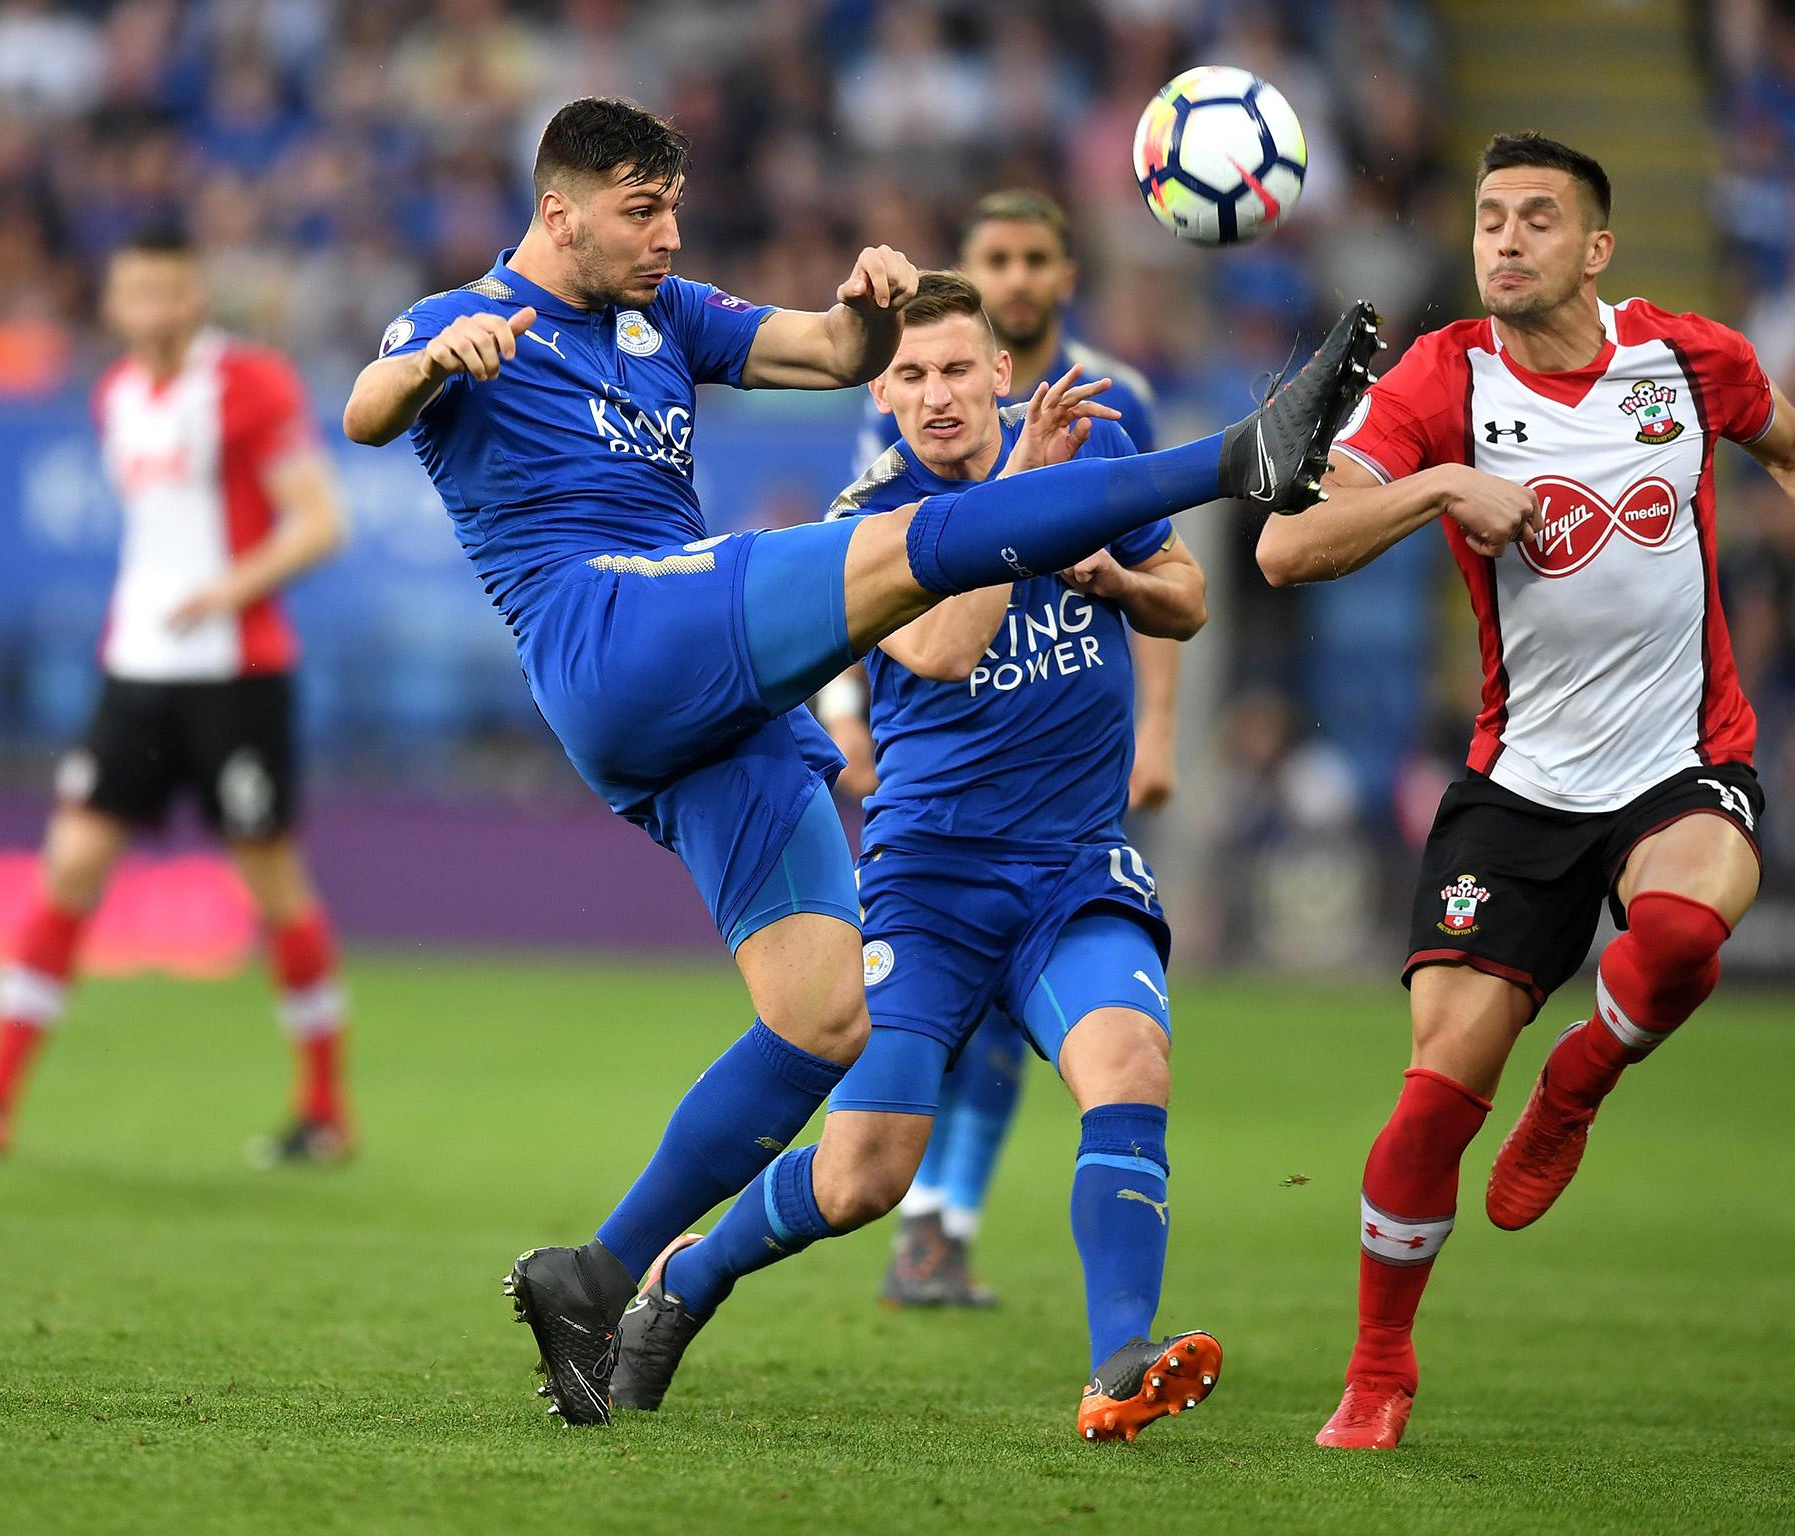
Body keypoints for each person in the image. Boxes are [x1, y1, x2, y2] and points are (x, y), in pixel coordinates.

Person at [341, 95, 1375, 1427]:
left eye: (674, 207)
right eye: (641, 212)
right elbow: (369, 411)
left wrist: (874, 311)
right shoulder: (463, 320)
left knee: (823, 1016)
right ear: (562, 213)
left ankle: (598, 1276)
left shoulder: (674, 317)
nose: (668, 233)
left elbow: (832, 351)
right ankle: (1240, 456)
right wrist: (440, 362)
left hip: (719, 706)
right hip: (611, 627)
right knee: (906, 546)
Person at [1255, 132, 1795, 1451]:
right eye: (1487, 218)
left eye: (1538, 218)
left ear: (1596, 248)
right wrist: (1437, 485)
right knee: (1430, 1104)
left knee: (1687, 931)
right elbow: (1285, 547)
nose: (1505, 239)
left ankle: (1579, 1082)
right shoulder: (1443, 380)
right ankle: (1377, 1369)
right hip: (1516, 787)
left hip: (1681, 761)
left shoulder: (1691, 359)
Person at [611, 271, 1213, 1441]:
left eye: (955, 369)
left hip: (1072, 867)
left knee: (1129, 1067)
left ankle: (1118, 1366)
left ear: (1000, 368)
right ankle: (687, 1277)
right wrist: (1022, 490)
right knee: (861, 1178)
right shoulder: (867, 519)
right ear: (879, 389)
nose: (935, 396)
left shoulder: (1094, 441)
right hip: (928, 885)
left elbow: (1186, 599)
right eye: (909, 376)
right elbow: (938, 647)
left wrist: (1122, 578)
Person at [0, 225, 355, 1166]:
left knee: (273, 885)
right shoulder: (114, 393)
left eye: (169, 291)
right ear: (113, 303)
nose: (152, 310)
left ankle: (325, 1108)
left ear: (195, 298)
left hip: (238, 674)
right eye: (136, 294)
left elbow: (321, 521)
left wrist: (228, 592)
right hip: (136, 670)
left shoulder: (250, 384)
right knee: (69, 865)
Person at [837, 191, 1183, 1311]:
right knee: (861, 1153)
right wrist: (848, 724)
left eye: (1036, 257)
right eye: (998, 257)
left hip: (1061, 822)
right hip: (937, 824)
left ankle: (957, 1228)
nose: (1020, 275)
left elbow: (1173, 589)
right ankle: (687, 1266)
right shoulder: (882, 473)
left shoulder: (1105, 410)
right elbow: (913, 638)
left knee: (1103, 1052)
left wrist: (1155, 713)